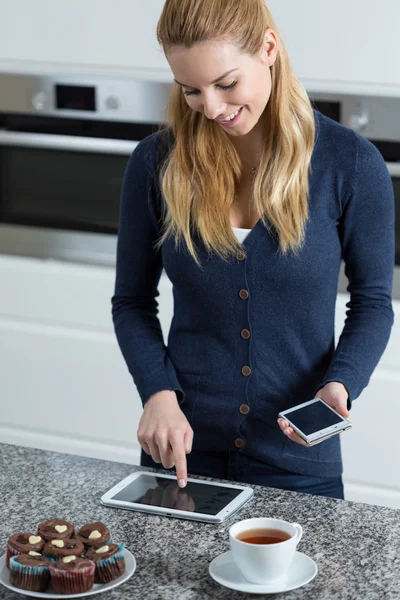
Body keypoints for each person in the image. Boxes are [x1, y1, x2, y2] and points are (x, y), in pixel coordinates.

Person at [111, 0, 394, 500]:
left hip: (298, 462)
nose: (212, 107)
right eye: (191, 91)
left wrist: (340, 385)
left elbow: (373, 301)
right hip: (182, 454)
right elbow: (132, 301)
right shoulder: (157, 163)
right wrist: (157, 392)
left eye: (225, 84)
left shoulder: (349, 163)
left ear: (268, 47)